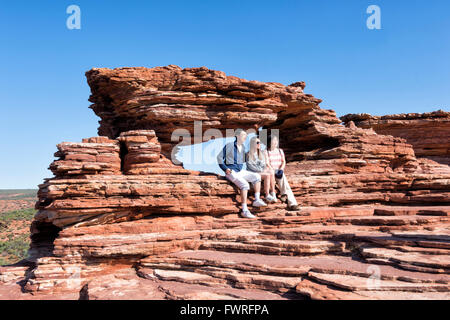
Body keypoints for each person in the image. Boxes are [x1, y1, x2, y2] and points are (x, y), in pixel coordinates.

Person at [217, 129, 267, 219]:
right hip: (231, 172)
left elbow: (244, 159)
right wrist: (225, 169)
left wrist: (256, 151)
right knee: (245, 184)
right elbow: (219, 158)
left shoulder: (243, 147)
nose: (245, 137)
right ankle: (244, 210)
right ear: (237, 136)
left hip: (240, 171)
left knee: (256, 176)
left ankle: (257, 199)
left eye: (246, 135)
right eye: (244, 135)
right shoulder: (230, 145)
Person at [266, 134, 299, 211]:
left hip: (279, 170)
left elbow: (283, 161)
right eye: (273, 141)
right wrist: (274, 171)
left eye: (276, 140)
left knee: (283, 178)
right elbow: (267, 163)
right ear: (269, 142)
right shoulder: (266, 152)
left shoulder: (280, 151)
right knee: (285, 183)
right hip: (271, 171)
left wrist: (281, 169)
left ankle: (292, 203)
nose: (275, 142)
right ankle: (289, 200)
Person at [245, 136, 277, 203]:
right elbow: (250, 166)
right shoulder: (248, 154)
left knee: (271, 171)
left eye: (259, 142)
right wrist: (261, 170)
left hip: (260, 171)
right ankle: (267, 194)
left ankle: (273, 193)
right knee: (267, 175)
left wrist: (264, 169)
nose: (259, 144)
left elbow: (263, 164)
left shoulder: (261, 153)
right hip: (252, 172)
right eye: (257, 143)